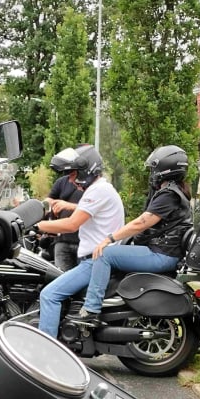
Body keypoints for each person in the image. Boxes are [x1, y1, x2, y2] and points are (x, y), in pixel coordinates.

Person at [65, 145, 194, 325]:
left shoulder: (169, 195)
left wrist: (109, 239)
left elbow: (142, 222)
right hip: (165, 251)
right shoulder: (174, 191)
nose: (152, 173)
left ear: (165, 169)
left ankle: (91, 310)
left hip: (162, 254)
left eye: (153, 169)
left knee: (104, 254)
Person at [35, 145, 125, 338]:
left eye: (73, 174)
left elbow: (71, 225)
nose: (70, 179)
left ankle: (45, 349)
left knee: (49, 295)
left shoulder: (97, 190)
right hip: (94, 258)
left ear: (87, 169)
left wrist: (36, 225)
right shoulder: (100, 189)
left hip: (93, 261)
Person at [46, 149, 84, 270]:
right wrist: (53, 205)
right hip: (62, 240)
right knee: (61, 276)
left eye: (72, 173)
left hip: (83, 241)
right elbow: (49, 200)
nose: (70, 179)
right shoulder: (61, 182)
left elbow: (93, 208)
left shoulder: (92, 186)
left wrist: (68, 205)